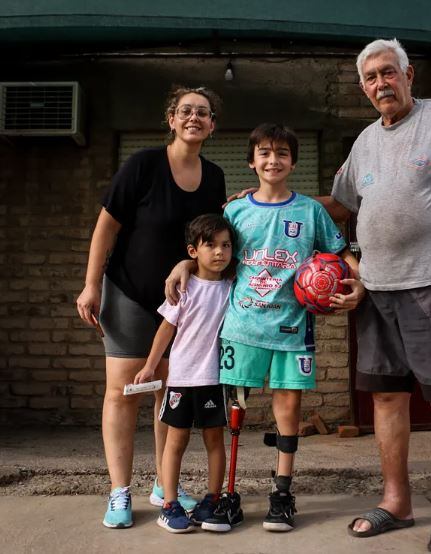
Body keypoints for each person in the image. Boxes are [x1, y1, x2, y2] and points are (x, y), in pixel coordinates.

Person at [320, 39, 431, 553]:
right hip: (375, 289)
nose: (380, 84)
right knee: (387, 395)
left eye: (387, 73)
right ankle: (396, 500)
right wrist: (274, 199)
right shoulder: (364, 143)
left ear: (408, 74)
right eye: (371, 78)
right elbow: (340, 204)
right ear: (363, 88)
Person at [166, 123, 365, 533]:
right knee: (234, 412)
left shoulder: (310, 211)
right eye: (265, 153)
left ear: (294, 161)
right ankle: (228, 496)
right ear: (251, 161)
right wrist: (185, 263)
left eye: (282, 153)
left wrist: (360, 284)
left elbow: (341, 253)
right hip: (242, 328)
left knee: (288, 410)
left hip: (293, 329)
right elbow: (210, 252)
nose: (273, 160)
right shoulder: (235, 211)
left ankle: (281, 495)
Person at [76, 85, 227, 528]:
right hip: (128, 292)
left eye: (203, 112)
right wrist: (91, 285)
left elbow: (204, 239)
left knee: (169, 390)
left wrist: (188, 260)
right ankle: (119, 491)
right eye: (186, 111)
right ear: (172, 119)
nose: (194, 118)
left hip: (181, 301)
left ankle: (165, 484)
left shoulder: (215, 176)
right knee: (123, 392)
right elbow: (106, 226)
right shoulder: (143, 164)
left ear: (212, 125)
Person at [133, 213, 234, 533]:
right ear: (193, 252)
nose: (220, 252)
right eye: (211, 246)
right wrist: (150, 365)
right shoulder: (184, 286)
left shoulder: (233, 288)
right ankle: (169, 503)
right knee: (175, 443)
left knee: (215, 441)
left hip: (214, 381)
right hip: (180, 379)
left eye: (226, 245)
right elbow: (166, 329)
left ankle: (213, 500)